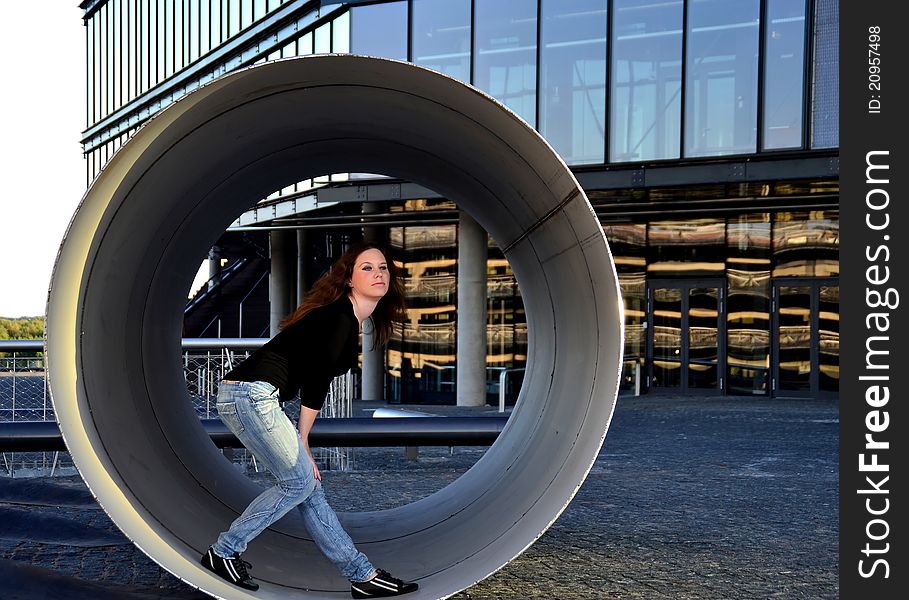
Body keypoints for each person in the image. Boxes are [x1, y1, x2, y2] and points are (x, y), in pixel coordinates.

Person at [201, 242, 418, 598]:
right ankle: (224, 550)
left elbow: (317, 378)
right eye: (367, 268)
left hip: (252, 396)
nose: (378, 273)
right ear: (349, 279)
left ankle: (362, 576)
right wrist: (304, 440)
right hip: (251, 395)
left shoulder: (345, 318)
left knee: (308, 490)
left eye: (382, 267)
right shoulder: (339, 318)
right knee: (299, 484)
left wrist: (302, 441)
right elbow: (317, 381)